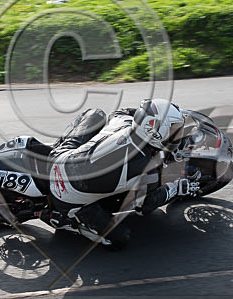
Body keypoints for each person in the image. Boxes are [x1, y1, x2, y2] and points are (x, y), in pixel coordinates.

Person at [45, 99, 189, 247]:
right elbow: (144, 206)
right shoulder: (145, 168)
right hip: (66, 195)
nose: (176, 134)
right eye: (173, 130)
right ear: (155, 132)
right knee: (120, 239)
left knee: (96, 114)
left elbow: (121, 111)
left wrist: (144, 115)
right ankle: (69, 222)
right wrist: (177, 188)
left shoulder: (122, 120)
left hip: (61, 157)